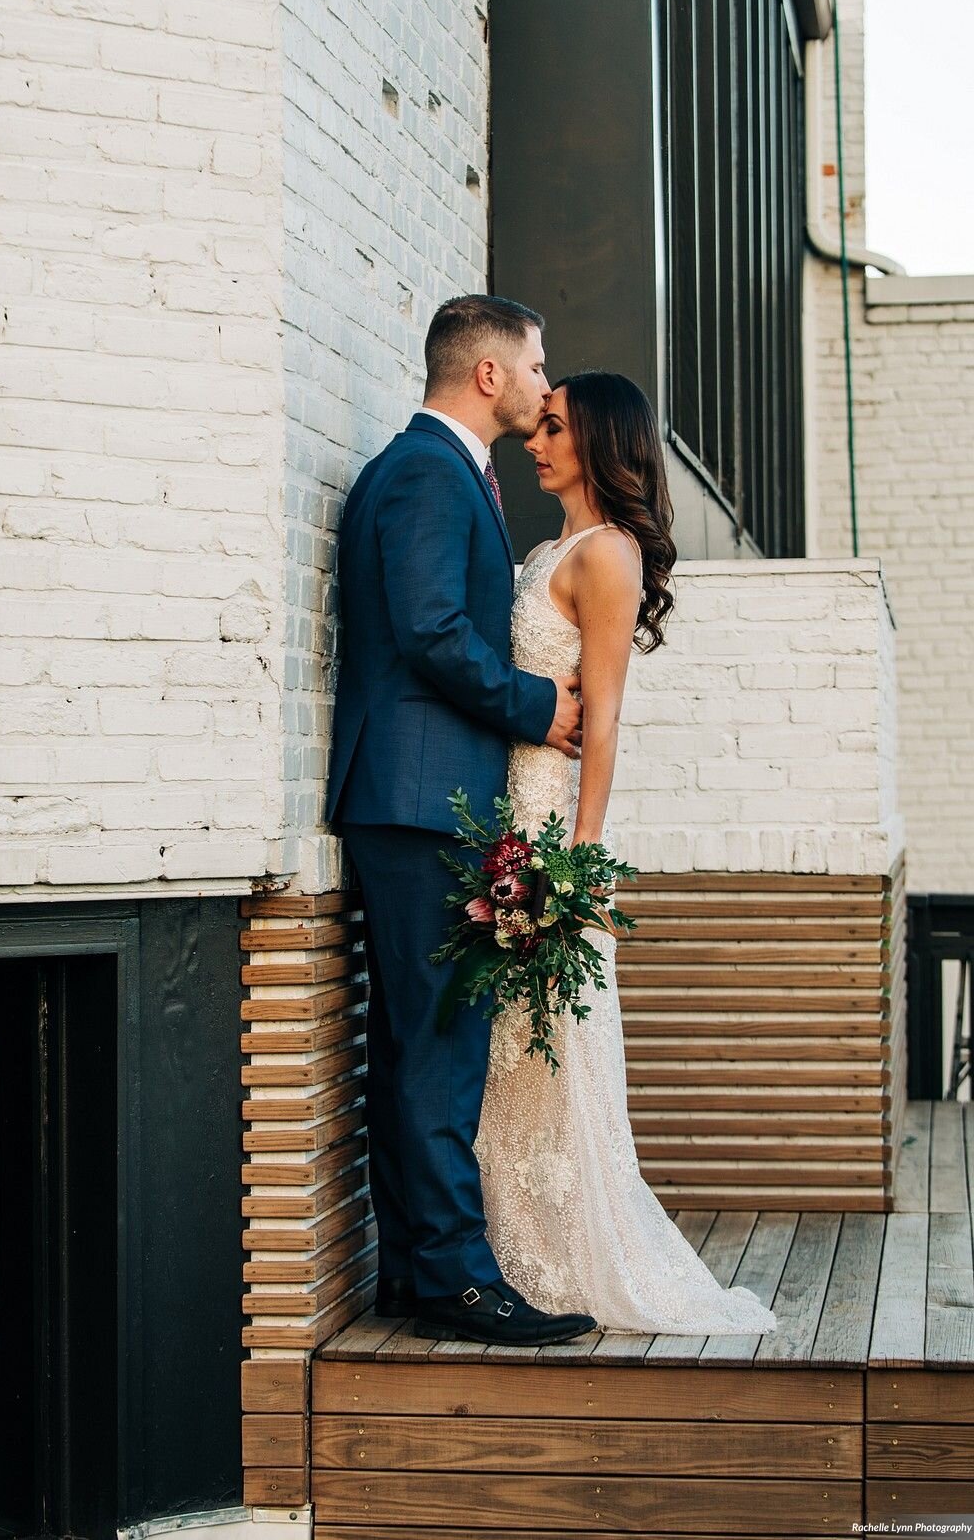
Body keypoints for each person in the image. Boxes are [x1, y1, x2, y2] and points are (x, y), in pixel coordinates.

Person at [474, 371, 777, 1335]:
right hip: (502, 815)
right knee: (508, 1049)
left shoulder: (607, 555)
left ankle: (571, 1255)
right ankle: (512, 1240)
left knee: (554, 1040)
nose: (536, 438)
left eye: (554, 426)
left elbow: (602, 716)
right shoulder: (540, 549)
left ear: (600, 440)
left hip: (553, 828)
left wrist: (577, 861)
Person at [326, 296, 597, 1346]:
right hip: (419, 796)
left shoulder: (430, 468)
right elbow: (435, 632)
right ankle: (456, 1281)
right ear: (488, 374)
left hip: (412, 795)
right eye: (536, 364)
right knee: (441, 1043)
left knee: (415, 1041)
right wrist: (542, 708)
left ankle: (413, 1269)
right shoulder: (432, 474)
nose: (543, 382)